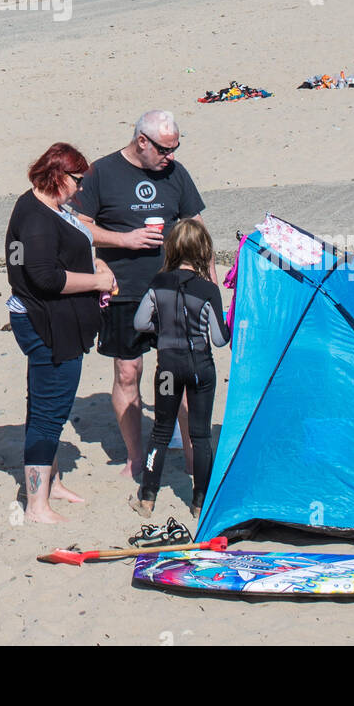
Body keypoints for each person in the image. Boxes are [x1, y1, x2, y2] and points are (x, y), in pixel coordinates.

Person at [72, 111, 213, 482]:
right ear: (141, 142)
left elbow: (196, 226)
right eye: (165, 149)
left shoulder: (175, 173)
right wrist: (124, 240)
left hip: (174, 289)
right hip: (124, 290)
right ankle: (136, 458)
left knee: (182, 372)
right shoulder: (101, 173)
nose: (170, 155)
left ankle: (194, 458)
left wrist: (211, 286)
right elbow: (79, 226)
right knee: (128, 370)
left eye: (176, 147)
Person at [5, 143, 117, 523]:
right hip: (46, 324)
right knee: (48, 412)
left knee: (47, 405)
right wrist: (97, 279)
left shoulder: (46, 206)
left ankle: (50, 484)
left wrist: (94, 260)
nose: (81, 187)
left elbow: (66, 248)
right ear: (57, 174)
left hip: (54, 320)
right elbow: (45, 278)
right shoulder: (35, 217)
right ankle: (36, 505)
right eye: (77, 180)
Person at [130, 221, 227, 521]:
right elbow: (220, 339)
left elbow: (139, 323)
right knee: (200, 435)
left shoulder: (158, 283)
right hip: (199, 366)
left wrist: (161, 328)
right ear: (202, 250)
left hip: (169, 366)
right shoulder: (208, 290)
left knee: (161, 430)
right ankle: (199, 501)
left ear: (170, 248)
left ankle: (147, 497)